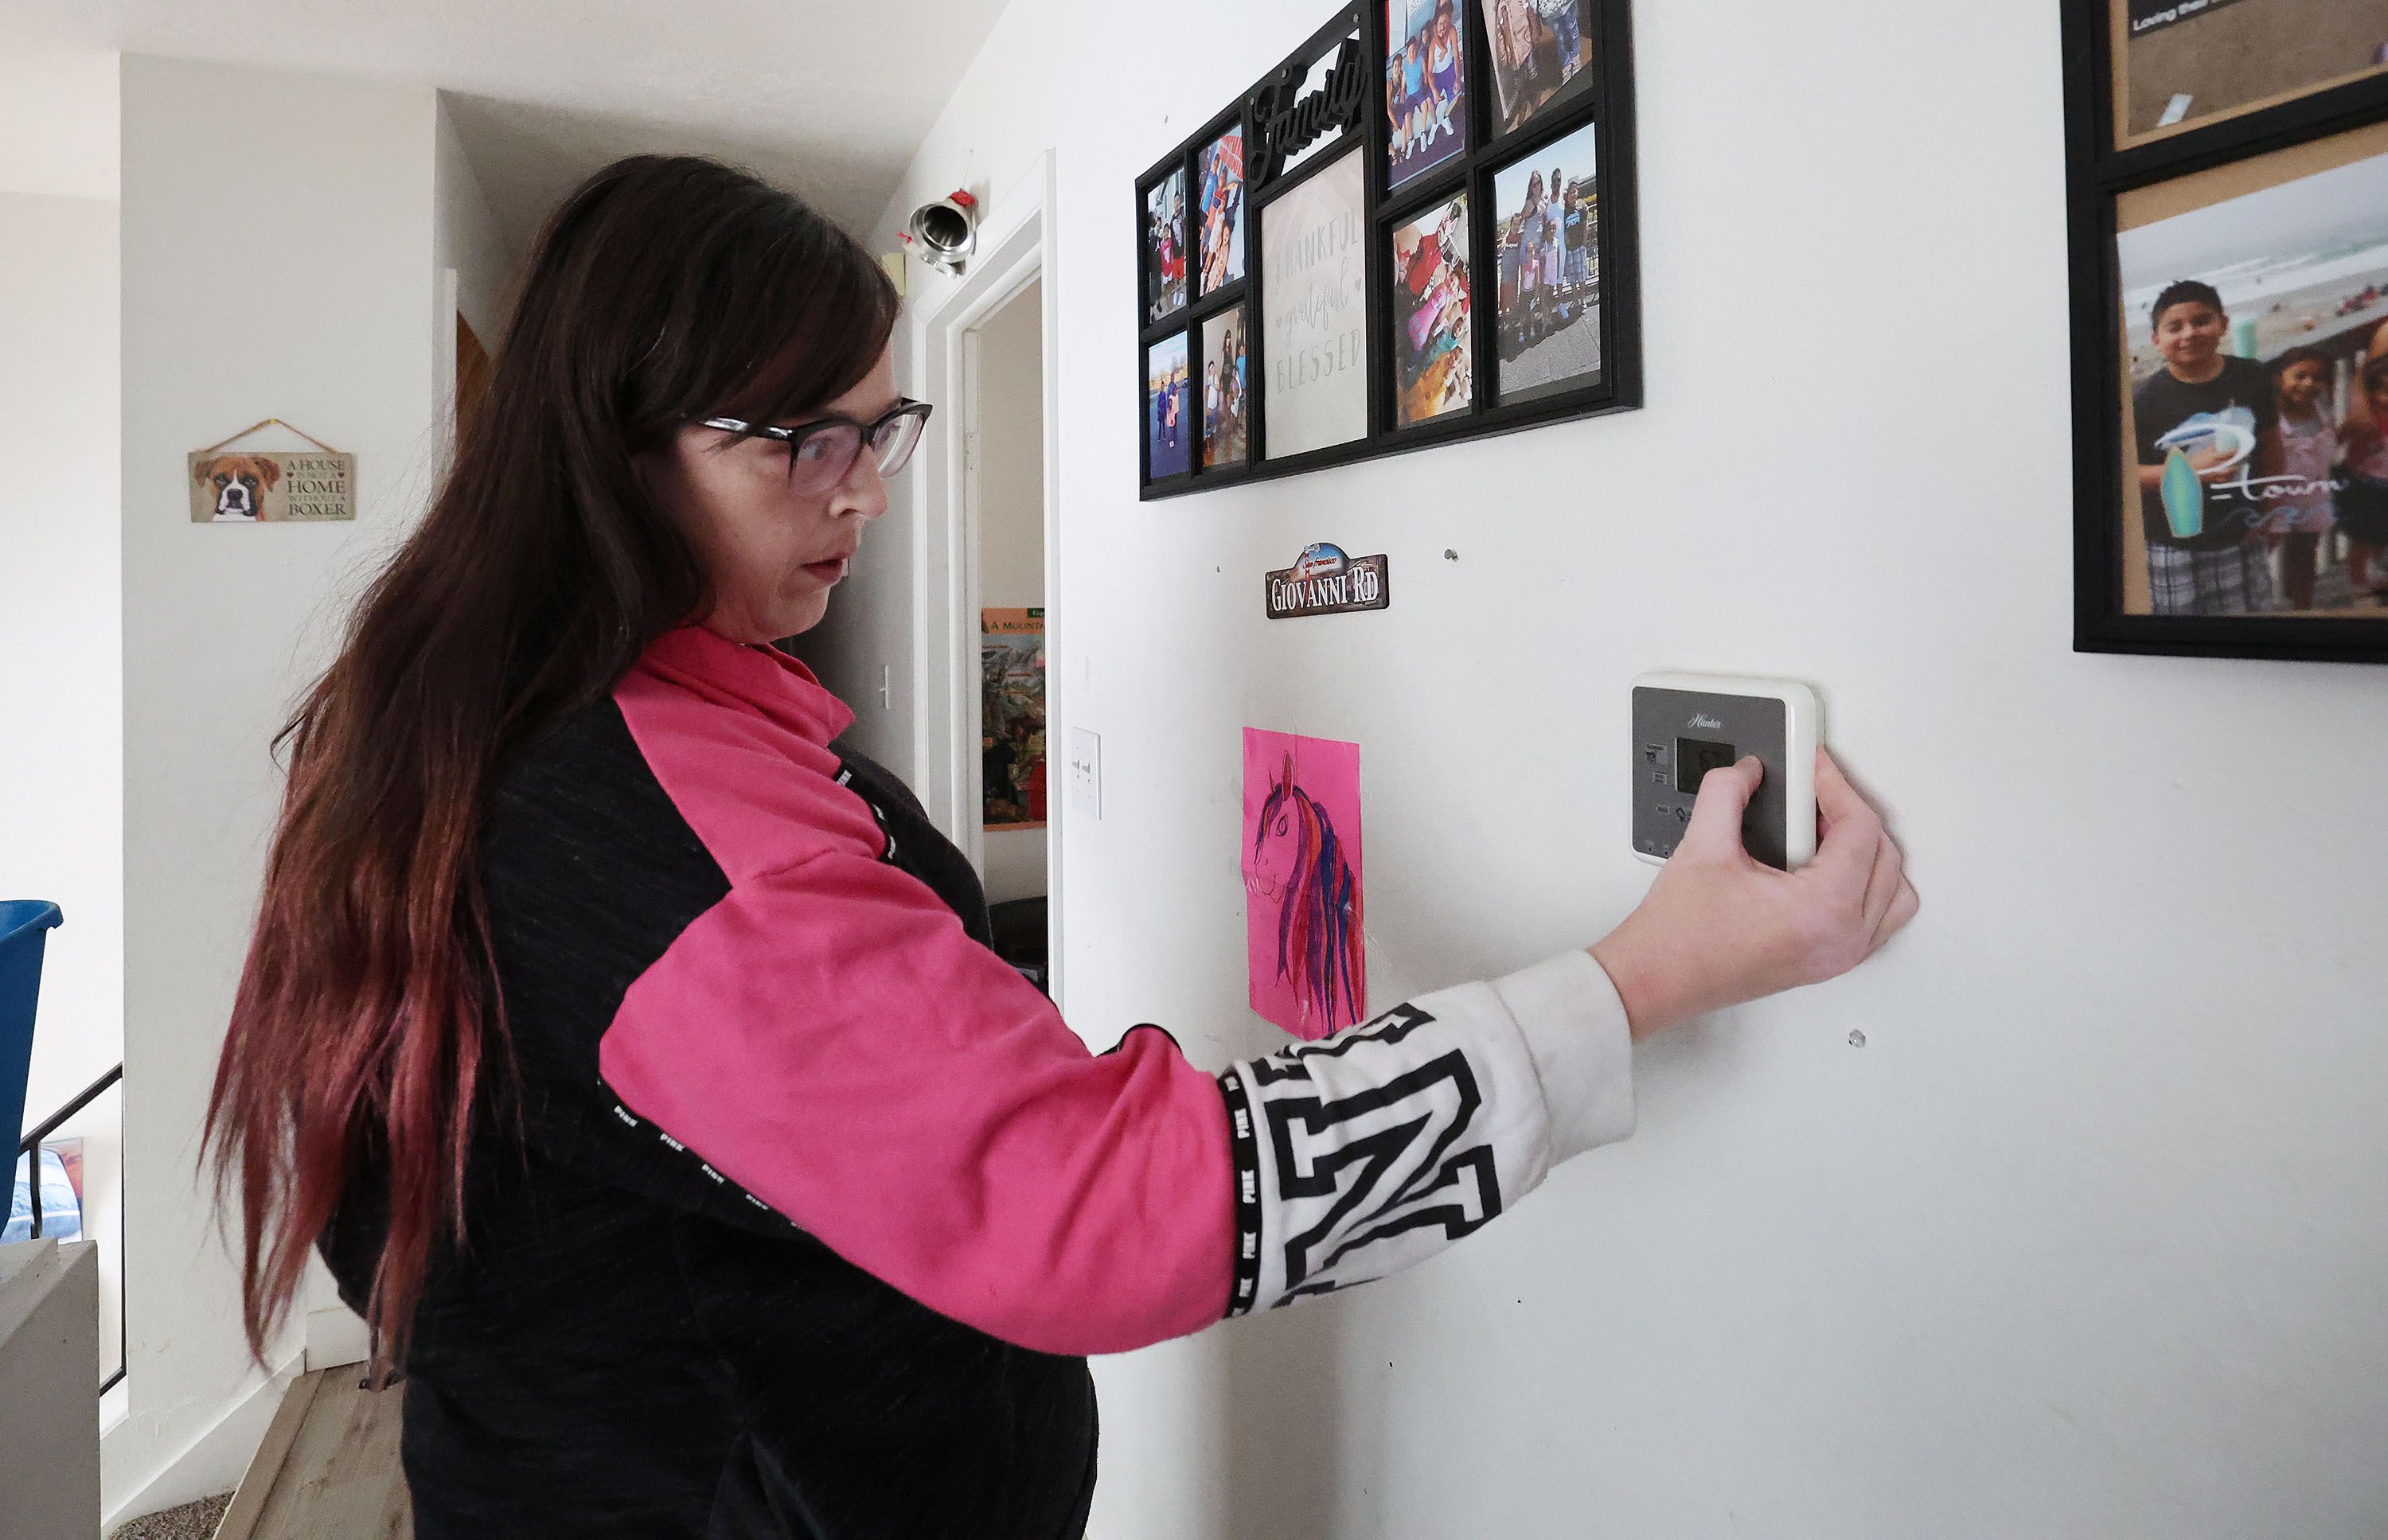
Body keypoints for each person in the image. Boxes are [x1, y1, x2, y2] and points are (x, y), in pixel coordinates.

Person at [204, 154, 1917, 1539]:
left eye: (878, 429)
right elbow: (1103, 1204)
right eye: (801, 438)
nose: (861, 493)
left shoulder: (473, 706)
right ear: (610, 441)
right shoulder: (639, 817)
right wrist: (1649, 976)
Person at [2130, 279, 2281, 616]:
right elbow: (2124, 475)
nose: (2189, 333)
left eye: (2201, 321)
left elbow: (2272, 446)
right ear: (2157, 341)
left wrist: (2271, 509)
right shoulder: (2142, 402)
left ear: (2223, 324)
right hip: (2172, 542)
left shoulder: (2251, 375)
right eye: (2175, 327)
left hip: (2241, 530)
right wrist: (2188, 469)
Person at [2261, 345, 2337, 612]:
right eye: (2300, 376)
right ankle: (2261, 605)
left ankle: (2303, 605)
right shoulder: (2272, 417)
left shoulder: (2322, 409)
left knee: (2305, 554)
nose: (2309, 384)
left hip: (2313, 497)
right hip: (2276, 500)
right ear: (2278, 378)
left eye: (2317, 378)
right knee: (2263, 553)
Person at [2335, 352, 2388, 601]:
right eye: (2380, 391)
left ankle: (2375, 573)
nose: (2385, 398)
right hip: (2366, 484)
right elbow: (2338, 440)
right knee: (2363, 536)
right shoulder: (2366, 420)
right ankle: (2357, 580)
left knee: (2381, 533)